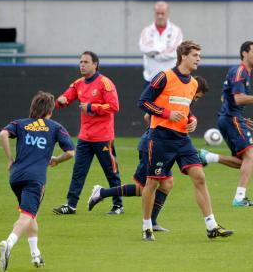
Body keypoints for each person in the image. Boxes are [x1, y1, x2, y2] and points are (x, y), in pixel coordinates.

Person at [87, 76, 210, 232]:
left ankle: (152, 221)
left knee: (165, 184)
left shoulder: (183, 101)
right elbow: (147, 115)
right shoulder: (172, 91)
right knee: (146, 187)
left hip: (163, 145)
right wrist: (159, 129)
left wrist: (191, 119)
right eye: (196, 96)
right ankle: (103, 193)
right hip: (152, 145)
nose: (195, 99)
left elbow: (184, 113)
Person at [138, 40, 233, 241]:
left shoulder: (194, 83)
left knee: (199, 176)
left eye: (199, 55)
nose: (198, 58)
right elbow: (144, 102)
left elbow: (185, 107)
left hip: (182, 139)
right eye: (195, 55)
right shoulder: (164, 77)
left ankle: (211, 226)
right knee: (153, 183)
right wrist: (166, 113)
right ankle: (147, 227)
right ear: (183, 56)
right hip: (161, 138)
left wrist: (192, 119)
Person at [199, 41, 253, 207]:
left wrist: (238, 118)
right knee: (251, 156)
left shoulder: (241, 72)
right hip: (231, 118)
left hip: (230, 118)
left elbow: (225, 98)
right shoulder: (240, 71)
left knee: (243, 161)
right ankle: (239, 198)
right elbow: (238, 99)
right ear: (244, 53)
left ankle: (208, 156)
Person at [0, 91, 75, 271]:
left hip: (16, 177)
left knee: (29, 214)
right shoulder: (55, 127)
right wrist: (57, 160)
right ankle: (9, 243)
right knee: (26, 216)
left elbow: (3, 134)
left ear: (33, 107)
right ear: (50, 110)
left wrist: (10, 159)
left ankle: (36, 255)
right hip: (35, 179)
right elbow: (71, 152)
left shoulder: (20, 123)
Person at [52, 51, 124, 215]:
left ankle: (118, 205)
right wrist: (61, 100)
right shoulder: (78, 83)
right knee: (78, 172)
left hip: (103, 137)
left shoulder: (105, 83)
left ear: (95, 64)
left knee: (111, 172)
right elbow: (65, 98)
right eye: (81, 62)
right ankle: (71, 205)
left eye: (86, 62)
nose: (82, 65)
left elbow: (114, 106)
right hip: (85, 137)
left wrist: (91, 107)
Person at [139, 0, 183, 85]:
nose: (160, 16)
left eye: (162, 13)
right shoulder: (146, 31)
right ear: (154, 13)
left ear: (168, 13)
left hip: (171, 79)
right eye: (157, 13)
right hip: (151, 79)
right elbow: (144, 48)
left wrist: (154, 53)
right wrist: (163, 49)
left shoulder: (176, 31)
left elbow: (175, 52)